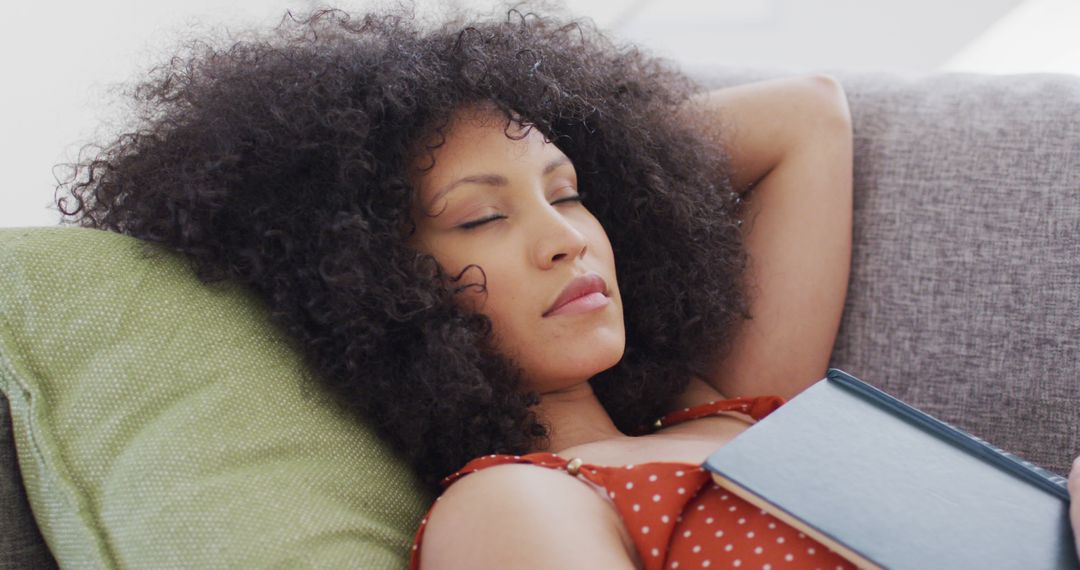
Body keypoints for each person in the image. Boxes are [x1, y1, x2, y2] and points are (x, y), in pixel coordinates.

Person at [55, 6, 1080, 569]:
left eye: (572, 195)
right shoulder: (510, 505)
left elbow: (806, 117)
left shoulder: (731, 412)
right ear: (369, 287)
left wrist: (624, 170)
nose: (567, 241)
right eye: (479, 217)